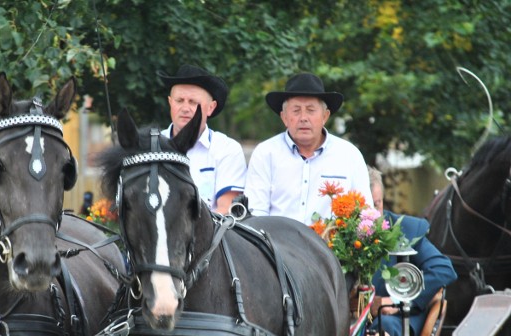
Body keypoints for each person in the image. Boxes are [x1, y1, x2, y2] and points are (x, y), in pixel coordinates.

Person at [365, 166, 457, 336]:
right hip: (351, 320)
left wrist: (393, 299)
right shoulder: (339, 233)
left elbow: (444, 269)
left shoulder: (404, 229)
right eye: (365, 207)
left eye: (377, 204)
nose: (373, 213)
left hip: (398, 318)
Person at [245, 72, 373, 225]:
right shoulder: (266, 153)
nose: (303, 118)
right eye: (296, 110)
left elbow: (365, 215)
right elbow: (255, 214)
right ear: (284, 117)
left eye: (311, 110)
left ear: (325, 116)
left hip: (332, 247)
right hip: (276, 245)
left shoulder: (349, 155)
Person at [157, 65, 247, 214]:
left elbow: (225, 211)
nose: (185, 108)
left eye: (193, 102)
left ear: (211, 108)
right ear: (170, 102)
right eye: (179, 100)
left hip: (209, 236)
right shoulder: (152, 147)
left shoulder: (227, 149)